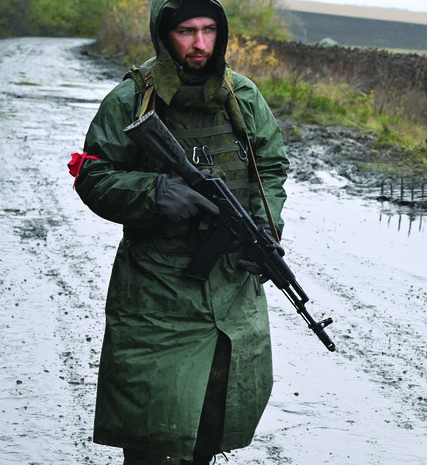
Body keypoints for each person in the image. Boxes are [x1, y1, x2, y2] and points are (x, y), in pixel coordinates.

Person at [71, 0, 289, 463]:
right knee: (154, 430)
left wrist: (266, 234)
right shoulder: (130, 99)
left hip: (231, 293)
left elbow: (269, 168)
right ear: (164, 34)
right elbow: (92, 175)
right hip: (156, 291)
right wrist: (154, 192)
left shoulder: (243, 97)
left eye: (210, 30)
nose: (201, 44)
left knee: (212, 423)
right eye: (187, 31)